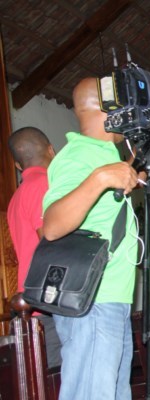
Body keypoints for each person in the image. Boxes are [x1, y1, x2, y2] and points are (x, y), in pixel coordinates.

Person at [42, 77, 141, 399]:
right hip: (93, 300)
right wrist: (100, 178)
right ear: (108, 107)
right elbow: (53, 225)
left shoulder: (103, 155)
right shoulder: (80, 154)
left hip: (110, 298)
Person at [7, 126, 62, 368]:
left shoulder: (17, 195)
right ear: (52, 150)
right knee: (60, 379)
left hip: (32, 302)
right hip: (50, 304)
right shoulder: (44, 184)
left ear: (18, 165)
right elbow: (51, 240)